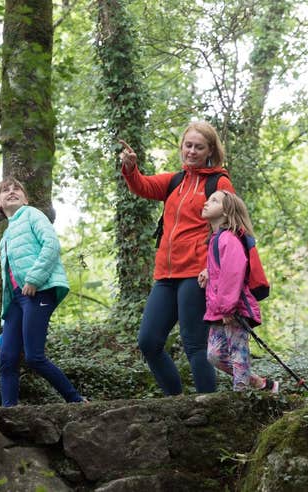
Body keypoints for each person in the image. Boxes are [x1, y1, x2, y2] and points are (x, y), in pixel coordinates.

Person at [119, 121, 234, 395]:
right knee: (148, 341)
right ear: (182, 147)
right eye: (188, 145)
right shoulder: (175, 181)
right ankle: (175, 400)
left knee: (194, 343)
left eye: (199, 147)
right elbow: (143, 186)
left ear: (210, 151)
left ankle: (208, 404)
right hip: (166, 275)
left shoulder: (219, 182)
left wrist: (213, 267)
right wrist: (131, 168)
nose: (192, 151)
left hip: (197, 273)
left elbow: (230, 227)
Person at [0, 177, 85, 407]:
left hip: (38, 292)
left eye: (16, 189)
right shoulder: (5, 237)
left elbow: (51, 245)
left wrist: (34, 278)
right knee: (7, 358)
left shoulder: (32, 215)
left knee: (34, 357)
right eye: (5, 190)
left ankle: (76, 400)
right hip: (16, 300)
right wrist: (8, 325)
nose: (12, 192)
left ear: (25, 199)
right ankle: (9, 411)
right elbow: (8, 280)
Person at [200, 191, 278, 393]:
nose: (207, 203)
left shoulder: (229, 238)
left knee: (237, 352)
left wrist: (227, 308)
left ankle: (240, 396)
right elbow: (222, 270)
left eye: (214, 201)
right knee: (214, 356)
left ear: (226, 212)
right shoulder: (216, 239)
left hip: (234, 308)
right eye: (208, 199)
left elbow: (234, 272)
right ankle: (262, 384)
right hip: (220, 310)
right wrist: (209, 273)